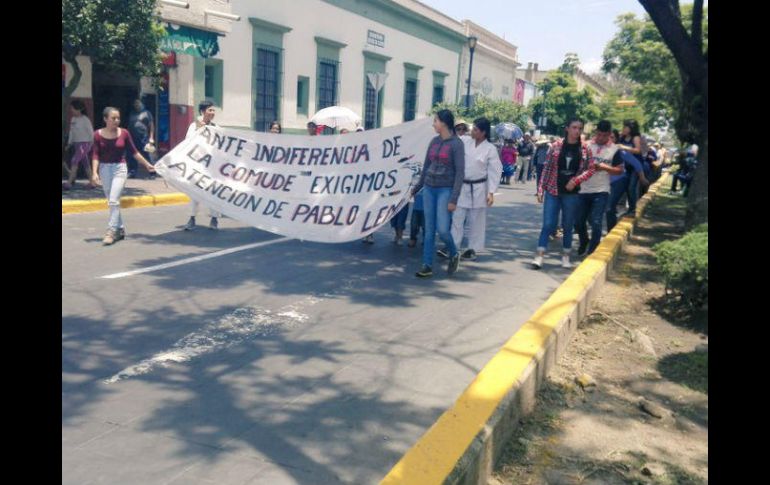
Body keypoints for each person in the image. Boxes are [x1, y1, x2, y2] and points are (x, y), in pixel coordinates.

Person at [532, 118, 596, 269]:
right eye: (574, 127)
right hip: (553, 190)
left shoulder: (586, 148)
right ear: (567, 128)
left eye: (580, 128)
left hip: (572, 193)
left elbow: (591, 169)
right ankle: (539, 255)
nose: (577, 131)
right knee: (548, 224)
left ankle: (566, 255)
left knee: (567, 225)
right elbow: (546, 168)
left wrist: (576, 180)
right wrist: (540, 189)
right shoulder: (556, 146)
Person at [411, 109, 465, 278]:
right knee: (429, 230)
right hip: (429, 189)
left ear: (444, 123)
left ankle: (454, 252)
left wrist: (453, 198)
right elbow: (426, 166)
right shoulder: (433, 142)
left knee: (442, 230)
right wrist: (417, 187)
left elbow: (460, 173)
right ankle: (427, 265)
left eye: (435, 121)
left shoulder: (457, 144)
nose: (434, 124)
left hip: (445, 190)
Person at [90, 107, 156, 245]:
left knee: (114, 200)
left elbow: (134, 152)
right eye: (113, 118)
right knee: (111, 200)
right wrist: (94, 172)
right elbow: (95, 154)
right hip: (104, 169)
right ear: (105, 119)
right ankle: (120, 229)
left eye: (118, 118)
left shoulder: (124, 133)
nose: (116, 121)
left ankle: (111, 231)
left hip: (119, 168)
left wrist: (147, 164)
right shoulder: (97, 134)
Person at [450, 117, 502, 261]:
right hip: (462, 186)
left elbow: (494, 171)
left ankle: (472, 248)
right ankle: (453, 246)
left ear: (483, 132)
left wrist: (491, 192)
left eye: (476, 130)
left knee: (476, 220)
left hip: (479, 187)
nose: (472, 131)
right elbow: (452, 141)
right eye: (473, 129)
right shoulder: (465, 141)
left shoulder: (490, 149)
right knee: (457, 217)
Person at [575, 120, 625, 256]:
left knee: (596, 221)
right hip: (583, 188)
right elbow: (577, 163)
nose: (601, 138)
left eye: (604, 136)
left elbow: (620, 170)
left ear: (609, 134)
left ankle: (592, 250)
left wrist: (604, 167)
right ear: (596, 133)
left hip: (601, 190)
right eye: (599, 135)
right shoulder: (586, 145)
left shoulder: (615, 150)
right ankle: (584, 240)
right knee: (578, 222)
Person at [183, 101, 222, 231]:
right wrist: (200, 129)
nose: (212, 113)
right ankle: (192, 218)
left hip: (211, 166)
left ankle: (214, 218)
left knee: (212, 192)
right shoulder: (194, 126)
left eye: (213, 110)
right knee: (194, 192)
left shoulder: (217, 127)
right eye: (210, 110)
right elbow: (188, 141)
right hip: (198, 165)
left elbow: (220, 145)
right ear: (203, 111)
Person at [606, 131, 650, 231]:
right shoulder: (600, 149)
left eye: (612, 137)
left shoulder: (620, 151)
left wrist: (642, 178)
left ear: (616, 140)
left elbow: (636, 164)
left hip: (619, 181)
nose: (609, 140)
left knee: (609, 208)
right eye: (607, 137)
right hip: (604, 182)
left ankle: (610, 230)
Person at [616, 120, 648, 216]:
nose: (623, 129)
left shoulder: (635, 137)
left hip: (636, 166)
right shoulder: (622, 137)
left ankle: (633, 209)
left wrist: (624, 147)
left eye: (625, 127)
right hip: (626, 165)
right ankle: (629, 208)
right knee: (626, 187)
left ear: (631, 128)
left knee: (631, 187)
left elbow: (638, 150)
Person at [63, 99, 94, 190]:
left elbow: (91, 133)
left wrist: (90, 145)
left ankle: (69, 183)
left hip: (85, 144)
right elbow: (72, 132)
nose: (71, 110)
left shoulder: (85, 120)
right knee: (85, 163)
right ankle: (92, 182)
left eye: (73, 108)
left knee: (74, 160)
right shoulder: (73, 119)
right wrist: (69, 143)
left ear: (79, 109)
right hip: (76, 144)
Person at [127, 98, 155, 179]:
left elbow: (151, 126)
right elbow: (129, 125)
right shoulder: (132, 113)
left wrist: (151, 137)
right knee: (132, 155)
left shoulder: (147, 113)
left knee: (148, 155)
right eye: (135, 104)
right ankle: (132, 172)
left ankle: (152, 173)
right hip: (132, 138)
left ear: (142, 104)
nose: (136, 105)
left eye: (138, 103)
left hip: (144, 138)